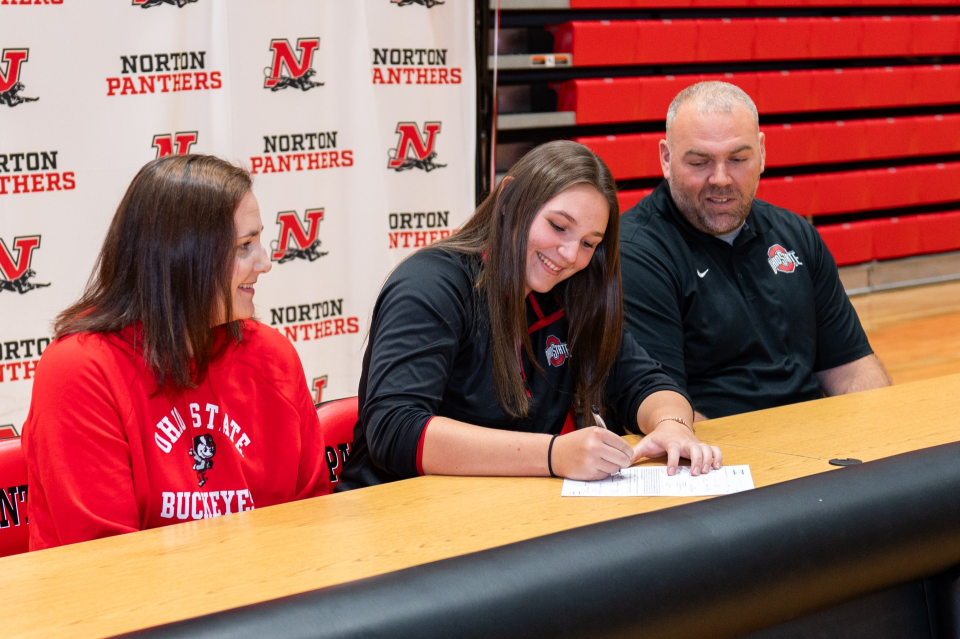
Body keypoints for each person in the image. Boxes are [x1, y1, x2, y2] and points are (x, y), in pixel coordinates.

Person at [338, 140, 722, 491]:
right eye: (558, 226)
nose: (570, 255)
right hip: (395, 519)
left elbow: (644, 381)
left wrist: (673, 426)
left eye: (589, 243)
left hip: (502, 515)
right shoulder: (431, 284)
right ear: (508, 198)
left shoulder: (575, 294)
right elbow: (396, 430)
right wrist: (554, 456)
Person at [22, 155, 330, 550]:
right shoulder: (80, 371)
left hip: (262, 603)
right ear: (181, 258)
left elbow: (311, 524)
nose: (265, 263)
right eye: (243, 247)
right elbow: (105, 566)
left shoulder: (272, 354)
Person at [619, 81, 891, 421]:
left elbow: (852, 368)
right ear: (666, 158)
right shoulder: (636, 255)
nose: (720, 178)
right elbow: (664, 413)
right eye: (699, 162)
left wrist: (879, 438)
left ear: (761, 153)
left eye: (737, 159)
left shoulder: (796, 234)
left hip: (818, 447)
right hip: (721, 457)